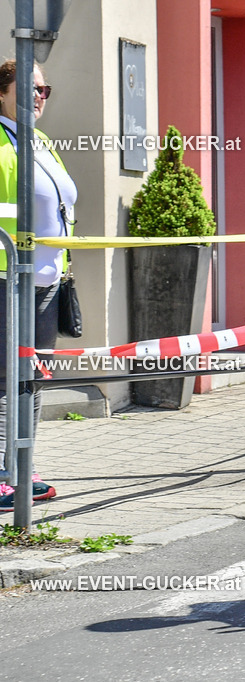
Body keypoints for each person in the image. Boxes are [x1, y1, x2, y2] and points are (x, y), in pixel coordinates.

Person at [0, 59, 75, 511]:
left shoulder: (42, 141)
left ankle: (22, 464)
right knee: (4, 378)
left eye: (45, 89)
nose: (38, 96)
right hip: (5, 280)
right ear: (2, 92)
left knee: (33, 379)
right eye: (29, 87)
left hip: (46, 282)